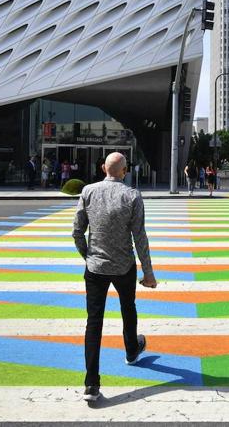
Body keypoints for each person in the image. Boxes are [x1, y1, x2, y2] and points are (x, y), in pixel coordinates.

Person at [72, 152, 157, 402]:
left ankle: (91, 384)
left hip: (95, 267)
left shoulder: (88, 191)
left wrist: (88, 256)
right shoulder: (132, 195)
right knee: (128, 308)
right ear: (125, 171)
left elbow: (77, 232)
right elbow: (139, 237)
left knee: (94, 322)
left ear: (102, 168)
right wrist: (148, 273)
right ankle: (131, 350)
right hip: (123, 266)